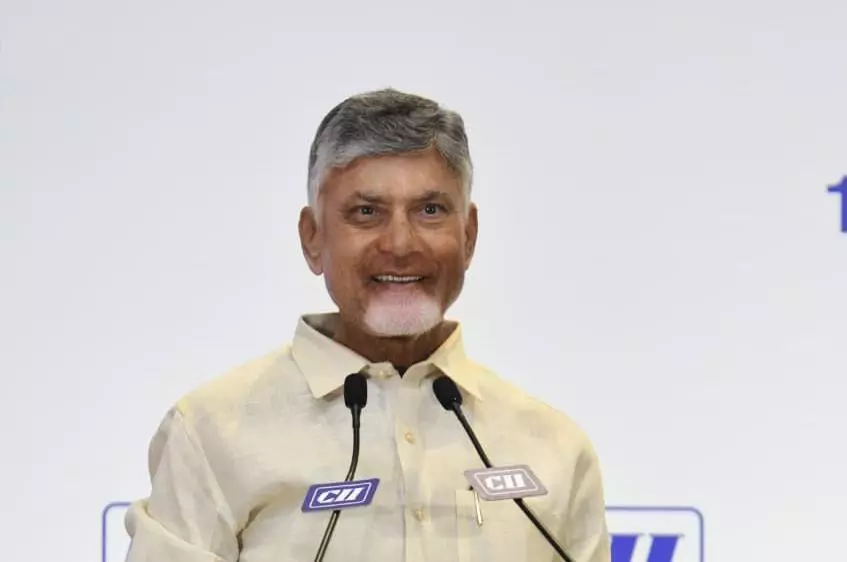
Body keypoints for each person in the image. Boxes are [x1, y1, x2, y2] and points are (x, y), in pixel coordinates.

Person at [124, 88, 612, 561]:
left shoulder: (556, 448)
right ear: (312, 238)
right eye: (366, 212)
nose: (400, 243)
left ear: (469, 236)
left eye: (430, 210)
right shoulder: (211, 432)